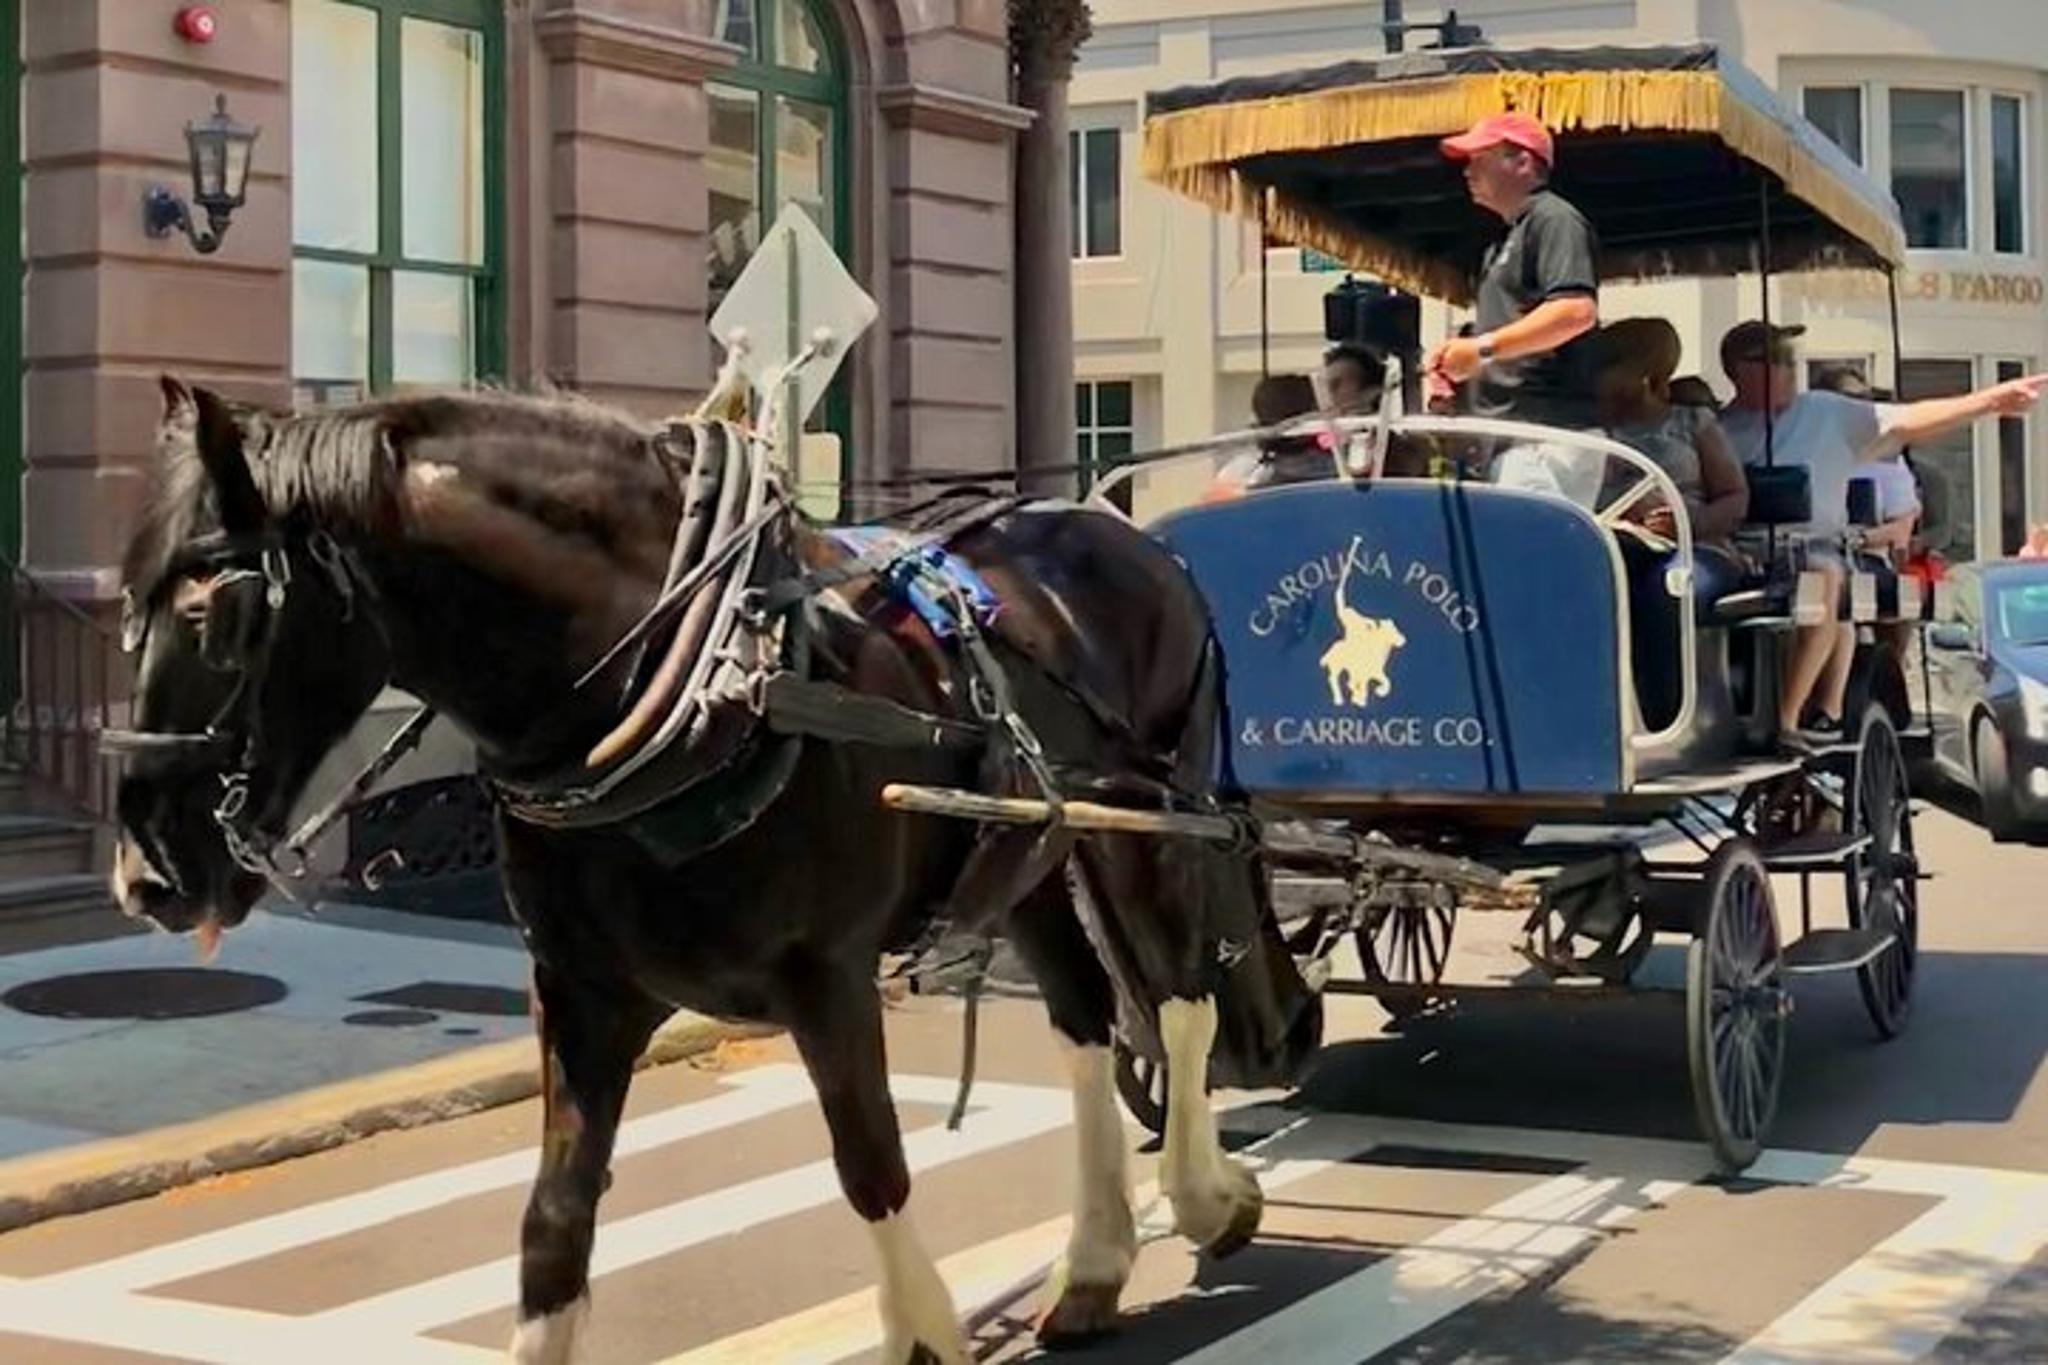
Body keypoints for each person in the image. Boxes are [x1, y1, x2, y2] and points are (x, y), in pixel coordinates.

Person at [1716, 320, 2048, 751]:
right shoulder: (1719, 429)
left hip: (1813, 549)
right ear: (1737, 369)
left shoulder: (1827, 411)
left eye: (1788, 360)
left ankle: (1790, 719)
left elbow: (1909, 420)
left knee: (1824, 579)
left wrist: (1988, 401)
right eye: (1772, 360)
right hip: (1743, 549)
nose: (1786, 369)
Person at [1424, 111, 1603, 505]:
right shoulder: (1503, 239)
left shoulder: (1554, 219)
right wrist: (1459, 362)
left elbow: (1575, 311)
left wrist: (1482, 350)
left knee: (1527, 564)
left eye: (1479, 158)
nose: (1467, 172)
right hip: (1518, 442)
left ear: (1522, 162)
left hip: (1545, 438)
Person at [1593, 318, 1748, 547]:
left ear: (1646, 377)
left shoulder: (1694, 422)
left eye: (1611, 367)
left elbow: (1734, 496)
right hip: (1609, 546)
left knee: (1675, 581)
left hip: (1691, 550)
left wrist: (1691, 524)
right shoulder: (1588, 431)